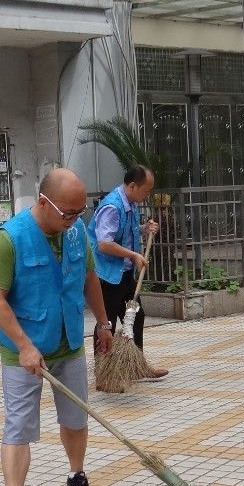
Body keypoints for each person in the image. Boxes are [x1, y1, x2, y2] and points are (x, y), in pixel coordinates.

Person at [0, 168, 115, 486]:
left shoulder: (75, 232)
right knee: (19, 426)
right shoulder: (10, 240)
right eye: (68, 213)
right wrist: (24, 344)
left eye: (80, 212)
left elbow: (89, 278)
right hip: (24, 348)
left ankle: (76, 475)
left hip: (68, 340)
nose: (75, 220)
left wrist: (103, 323)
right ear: (43, 203)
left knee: (75, 417)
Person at [92, 164, 167, 385]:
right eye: (146, 190)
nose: (147, 195)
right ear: (133, 185)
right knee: (106, 323)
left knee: (136, 316)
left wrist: (144, 228)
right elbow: (104, 244)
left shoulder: (130, 203)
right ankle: (103, 373)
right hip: (107, 275)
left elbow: (124, 232)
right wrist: (134, 255)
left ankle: (136, 366)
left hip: (124, 272)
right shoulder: (112, 207)